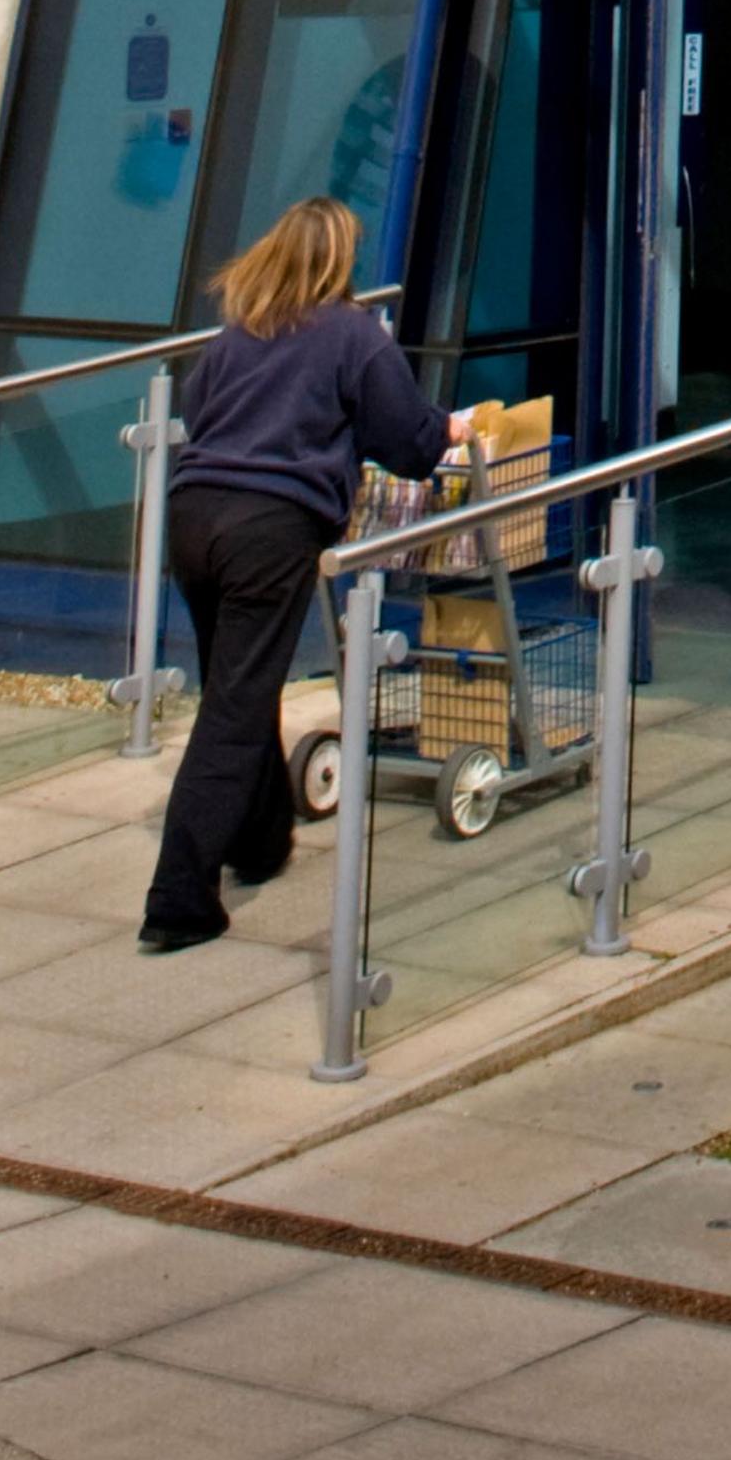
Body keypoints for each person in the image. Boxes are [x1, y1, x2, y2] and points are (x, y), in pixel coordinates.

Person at [142, 197, 469, 953]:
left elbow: (201, 417)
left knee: (237, 680)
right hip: (271, 527)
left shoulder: (236, 335)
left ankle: (260, 841)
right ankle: (178, 896)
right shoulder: (355, 336)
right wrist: (448, 428)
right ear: (339, 261)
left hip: (194, 515)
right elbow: (409, 443)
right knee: (232, 705)